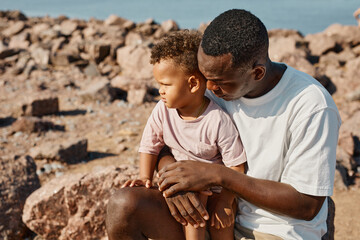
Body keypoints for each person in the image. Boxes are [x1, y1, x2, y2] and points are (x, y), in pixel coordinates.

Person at [106, 9, 341, 240]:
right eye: (204, 77)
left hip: (274, 229)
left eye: (218, 82)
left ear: (257, 73)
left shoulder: (310, 105)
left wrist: (218, 176)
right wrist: (177, 183)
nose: (208, 88)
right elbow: (166, 142)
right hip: (205, 213)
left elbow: (307, 205)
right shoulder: (215, 83)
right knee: (124, 205)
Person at [116, 30, 246, 240]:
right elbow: (150, 145)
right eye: (159, 84)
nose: (160, 91)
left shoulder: (217, 120)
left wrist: (225, 202)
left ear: (193, 84)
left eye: (166, 84)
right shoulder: (162, 110)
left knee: (222, 226)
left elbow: (237, 166)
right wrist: (144, 178)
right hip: (182, 186)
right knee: (192, 210)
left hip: (216, 190)